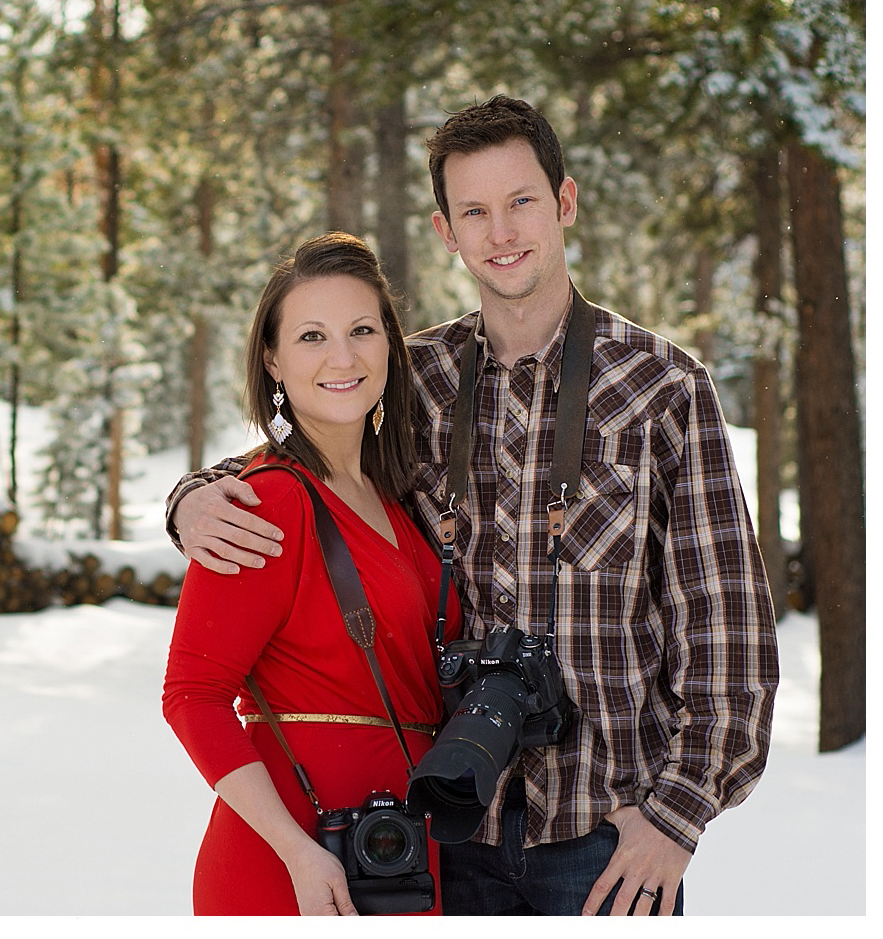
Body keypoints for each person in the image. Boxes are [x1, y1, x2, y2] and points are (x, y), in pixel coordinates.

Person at [166, 95, 780, 916]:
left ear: (565, 201)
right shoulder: (413, 376)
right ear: (445, 231)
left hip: (604, 843)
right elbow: (306, 449)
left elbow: (730, 636)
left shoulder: (662, 389)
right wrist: (192, 499)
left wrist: (674, 818)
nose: (503, 232)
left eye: (523, 200)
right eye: (475, 211)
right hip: (442, 839)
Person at [162, 231, 462, 916]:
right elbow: (192, 693)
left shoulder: (396, 498)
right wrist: (295, 848)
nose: (342, 356)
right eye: (311, 337)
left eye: (362, 329)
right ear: (271, 359)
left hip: (397, 853)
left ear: (391, 341)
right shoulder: (267, 499)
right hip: (296, 864)